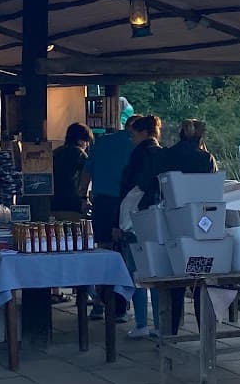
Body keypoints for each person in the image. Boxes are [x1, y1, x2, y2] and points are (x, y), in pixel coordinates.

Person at [154, 119, 217, 336]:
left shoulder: (167, 155)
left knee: (174, 280)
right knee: (200, 278)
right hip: (200, 222)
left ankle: (170, 332)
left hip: (172, 219)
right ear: (201, 137)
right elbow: (212, 189)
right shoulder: (205, 158)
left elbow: (158, 185)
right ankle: (205, 333)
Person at [116, 114, 165, 337]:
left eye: (134, 133)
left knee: (137, 272)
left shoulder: (139, 155)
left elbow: (130, 187)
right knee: (155, 272)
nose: (131, 138)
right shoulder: (161, 153)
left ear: (144, 132)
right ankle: (159, 324)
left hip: (136, 218)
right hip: (156, 218)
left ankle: (141, 323)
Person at [88, 122, 138, 325]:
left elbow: (85, 175)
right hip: (124, 203)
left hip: (101, 203)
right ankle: (120, 306)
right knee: (123, 254)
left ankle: (99, 302)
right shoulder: (135, 145)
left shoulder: (101, 143)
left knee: (103, 251)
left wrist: (84, 198)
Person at [52, 123, 92, 217]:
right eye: (86, 141)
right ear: (80, 140)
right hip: (73, 202)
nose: (87, 144)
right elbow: (86, 176)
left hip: (54, 201)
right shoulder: (80, 154)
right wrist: (84, 198)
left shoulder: (56, 152)